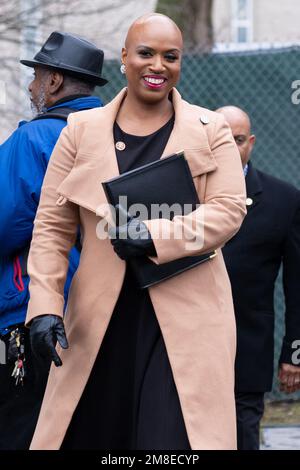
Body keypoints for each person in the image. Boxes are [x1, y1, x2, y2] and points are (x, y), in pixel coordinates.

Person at [26, 14, 246, 450]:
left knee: (174, 442)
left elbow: (228, 211)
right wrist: (45, 304)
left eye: (171, 56)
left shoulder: (211, 130)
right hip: (99, 320)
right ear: (124, 58)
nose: (158, 65)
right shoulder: (79, 133)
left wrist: (153, 235)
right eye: (146, 53)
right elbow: (52, 227)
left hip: (188, 318)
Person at [0, 31, 107, 450]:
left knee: (22, 428)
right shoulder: (114, 135)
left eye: (36, 76)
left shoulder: (32, 139)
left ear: (54, 82)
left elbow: (5, 223)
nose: (31, 87)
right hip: (102, 310)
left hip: (27, 318)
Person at [217, 105, 300, 450]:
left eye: (236, 140)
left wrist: (294, 355)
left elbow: (296, 284)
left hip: (247, 351)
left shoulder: (284, 199)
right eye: (220, 140)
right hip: (183, 346)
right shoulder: (180, 195)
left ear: (250, 143)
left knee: (242, 434)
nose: (229, 148)